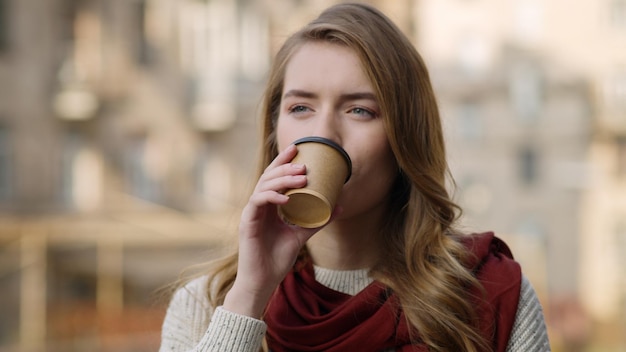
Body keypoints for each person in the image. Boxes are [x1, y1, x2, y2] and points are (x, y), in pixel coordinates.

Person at [160, 3, 550, 352]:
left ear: (404, 139)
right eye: (300, 107)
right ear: (274, 129)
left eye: (359, 110)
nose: (325, 133)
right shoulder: (204, 306)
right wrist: (249, 296)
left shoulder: (490, 295)